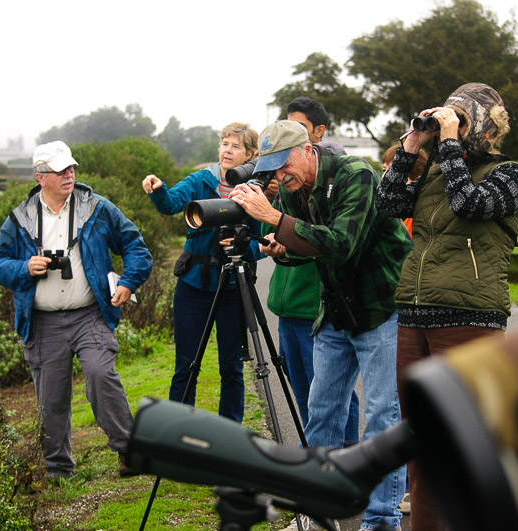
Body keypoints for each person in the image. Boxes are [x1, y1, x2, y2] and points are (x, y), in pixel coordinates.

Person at [229, 120, 411, 531]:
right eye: (272, 169)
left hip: (380, 306)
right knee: (322, 409)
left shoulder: (356, 174)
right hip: (335, 308)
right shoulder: (296, 190)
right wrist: (281, 248)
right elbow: (308, 248)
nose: (279, 176)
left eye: (283, 165)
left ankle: (381, 520)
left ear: (307, 149)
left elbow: (342, 244)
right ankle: (314, 510)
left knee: (382, 414)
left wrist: (275, 218)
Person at [375, 82, 518, 531]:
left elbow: (468, 204)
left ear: (481, 125)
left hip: (469, 320)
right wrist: (411, 144)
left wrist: (447, 146)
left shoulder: (510, 175)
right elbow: (386, 203)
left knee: (467, 450)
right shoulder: (436, 171)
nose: (452, 128)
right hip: (415, 316)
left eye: (459, 120)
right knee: (421, 450)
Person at [0, 140, 152, 480]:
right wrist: (23, 268)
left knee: (100, 373)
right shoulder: (20, 218)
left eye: (71, 168)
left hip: (90, 314)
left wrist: (128, 283)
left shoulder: (97, 208)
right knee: (51, 398)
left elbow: (136, 247)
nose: (69, 174)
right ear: (40, 177)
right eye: (60, 170)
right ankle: (58, 469)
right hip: (42, 321)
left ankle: (128, 450)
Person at [142, 122, 264, 424]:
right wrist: (158, 190)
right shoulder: (201, 179)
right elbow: (170, 204)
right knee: (186, 365)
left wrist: (241, 243)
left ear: (249, 154)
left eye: (235, 146)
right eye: (224, 143)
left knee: (232, 368)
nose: (227, 150)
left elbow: (258, 244)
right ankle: (177, 436)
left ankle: (229, 438)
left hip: (233, 288)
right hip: (193, 286)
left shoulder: (253, 192)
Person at [267, 97, 360, 453]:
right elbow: (288, 240)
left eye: (298, 130)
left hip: (316, 305)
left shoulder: (336, 179)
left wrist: (281, 224)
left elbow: (334, 242)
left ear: (315, 136)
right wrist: (278, 241)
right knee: (309, 391)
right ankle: (319, 459)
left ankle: (348, 456)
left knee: (333, 391)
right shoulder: (287, 183)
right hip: (287, 305)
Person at [380, 143, 428, 237]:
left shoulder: (421, 215)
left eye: (392, 171)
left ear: (417, 175)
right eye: (384, 170)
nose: (384, 176)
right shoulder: (383, 211)